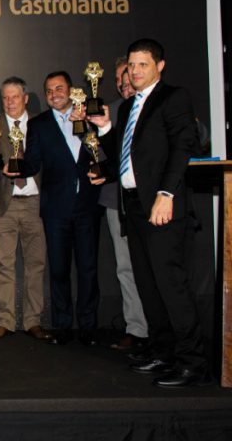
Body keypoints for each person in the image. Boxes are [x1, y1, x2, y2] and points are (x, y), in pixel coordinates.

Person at [88, 38, 208, 388]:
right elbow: (125, 157)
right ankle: (163, 352)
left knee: (171, 286)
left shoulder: (173, 98)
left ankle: (193, 362)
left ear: (160, 65)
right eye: (131, 65)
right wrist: (106, 128)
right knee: (149, 286)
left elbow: (184, 146)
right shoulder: (127, 108)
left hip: (162, 206)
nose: (135, 71)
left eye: (142, 64)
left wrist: (166, 193)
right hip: (133, 206)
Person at [18, 71, 102, 347]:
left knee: (88, 268)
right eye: (49, 90)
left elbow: (103, 153)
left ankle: (89, 326)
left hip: (87, 204)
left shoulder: (91, 117)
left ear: (71, 90)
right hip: (55, 208)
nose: (55, 94)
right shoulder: (39, 125)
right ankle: (63, 325)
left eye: (59, 88)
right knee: (58, 269)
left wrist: (90, 125)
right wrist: (14, 166)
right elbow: (32, 163)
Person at [0, 77, 50, 340]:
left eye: (14, 97)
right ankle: (5, 320)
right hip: (4, 205)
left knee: (36, 264)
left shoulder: (41, 124)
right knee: (3, 264)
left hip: (35, 203)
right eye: (5, 98)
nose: (9, 102)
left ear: (26, 98)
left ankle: (34, 320)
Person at [98, 57, 148, 352]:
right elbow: (102, 158)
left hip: (154, 203)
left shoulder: (158, 107)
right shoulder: (110, 113)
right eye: (120, 78)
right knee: (126, 268)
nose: (125, 82)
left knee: (153, 267)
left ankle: (162, 331)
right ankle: (137, 328)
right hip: (117, 201)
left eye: (129, 75)